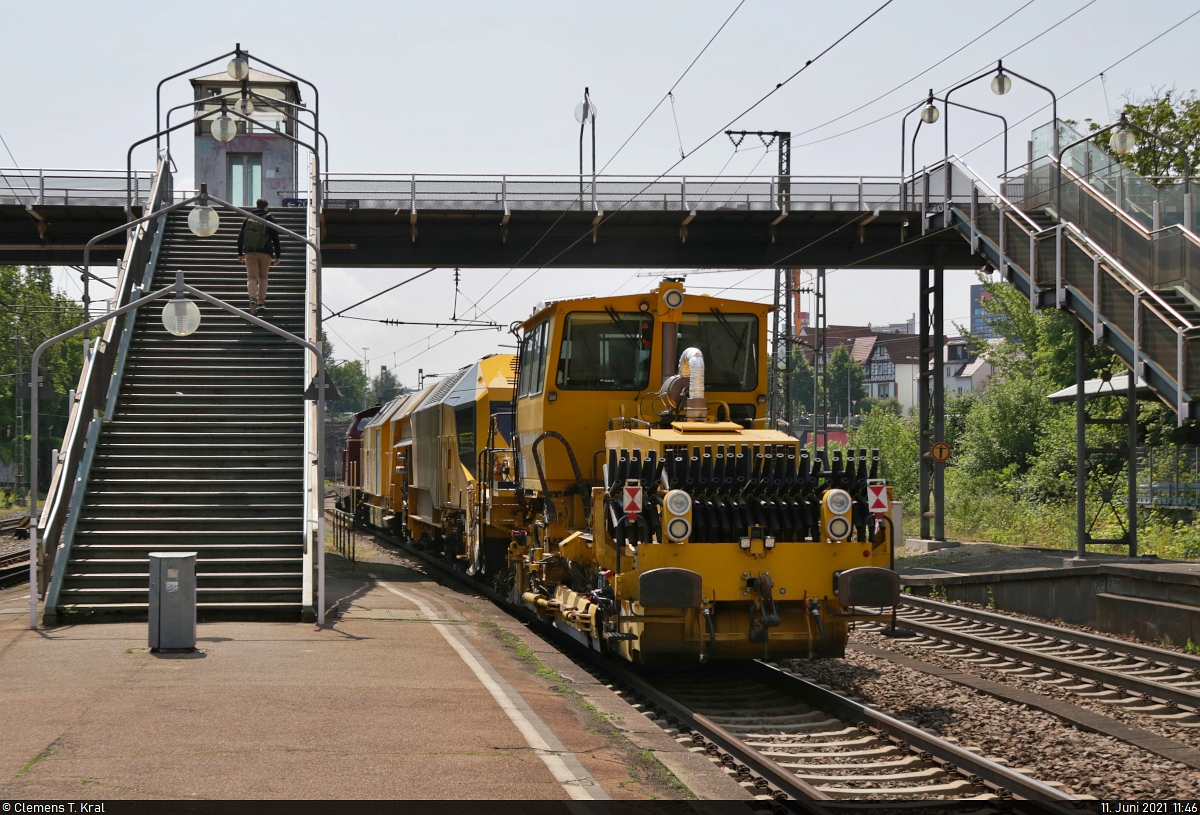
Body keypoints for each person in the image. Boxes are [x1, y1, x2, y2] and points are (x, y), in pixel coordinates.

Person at [237, 197, 281, 317]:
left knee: (251, 277)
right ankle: (261, 302)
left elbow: (241, 236)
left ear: (256, 206)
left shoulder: (249, 217)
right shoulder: (270, 218)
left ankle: (252, 299)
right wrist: (278, 255)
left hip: (250, 252)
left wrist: (240, 252)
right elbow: (276, 238)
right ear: (266, 207)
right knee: (263, 277)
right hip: (266, 252)